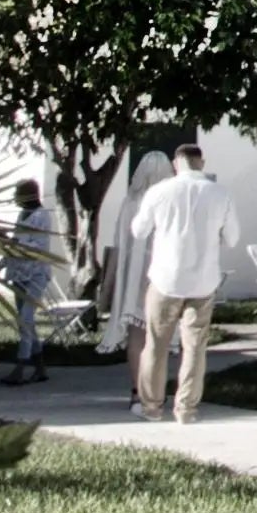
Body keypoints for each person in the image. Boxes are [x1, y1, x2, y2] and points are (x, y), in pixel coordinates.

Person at [124, 139, 241, 422]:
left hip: (165, 278)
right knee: (195, 347)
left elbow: (139, 231)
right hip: (203, 280)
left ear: (176, 164)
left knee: (156, 344)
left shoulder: (159, 191)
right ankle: (186, 409)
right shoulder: (220, 193)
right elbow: (233, 239)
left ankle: (151, 406)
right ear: (202, 162)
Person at [108, 147, 172, 403]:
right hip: (161, 276)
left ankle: (137, 389)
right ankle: (155, 389)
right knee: (159, 337)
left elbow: (120, 242)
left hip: (134, 279)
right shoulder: (167, 203)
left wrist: (116, 278)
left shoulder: (130, 202)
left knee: (136, 337)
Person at [0, 179, 59, 386]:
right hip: (18, 274)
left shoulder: (42, 216)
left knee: (25, 319)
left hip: (36, 274)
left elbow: (37, 245)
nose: (15, 198)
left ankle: (20, 366)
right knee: (27, 323)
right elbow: (13, 248)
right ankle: (40, 367)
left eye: (18, 193)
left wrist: (15, 242)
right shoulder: (21, 215)